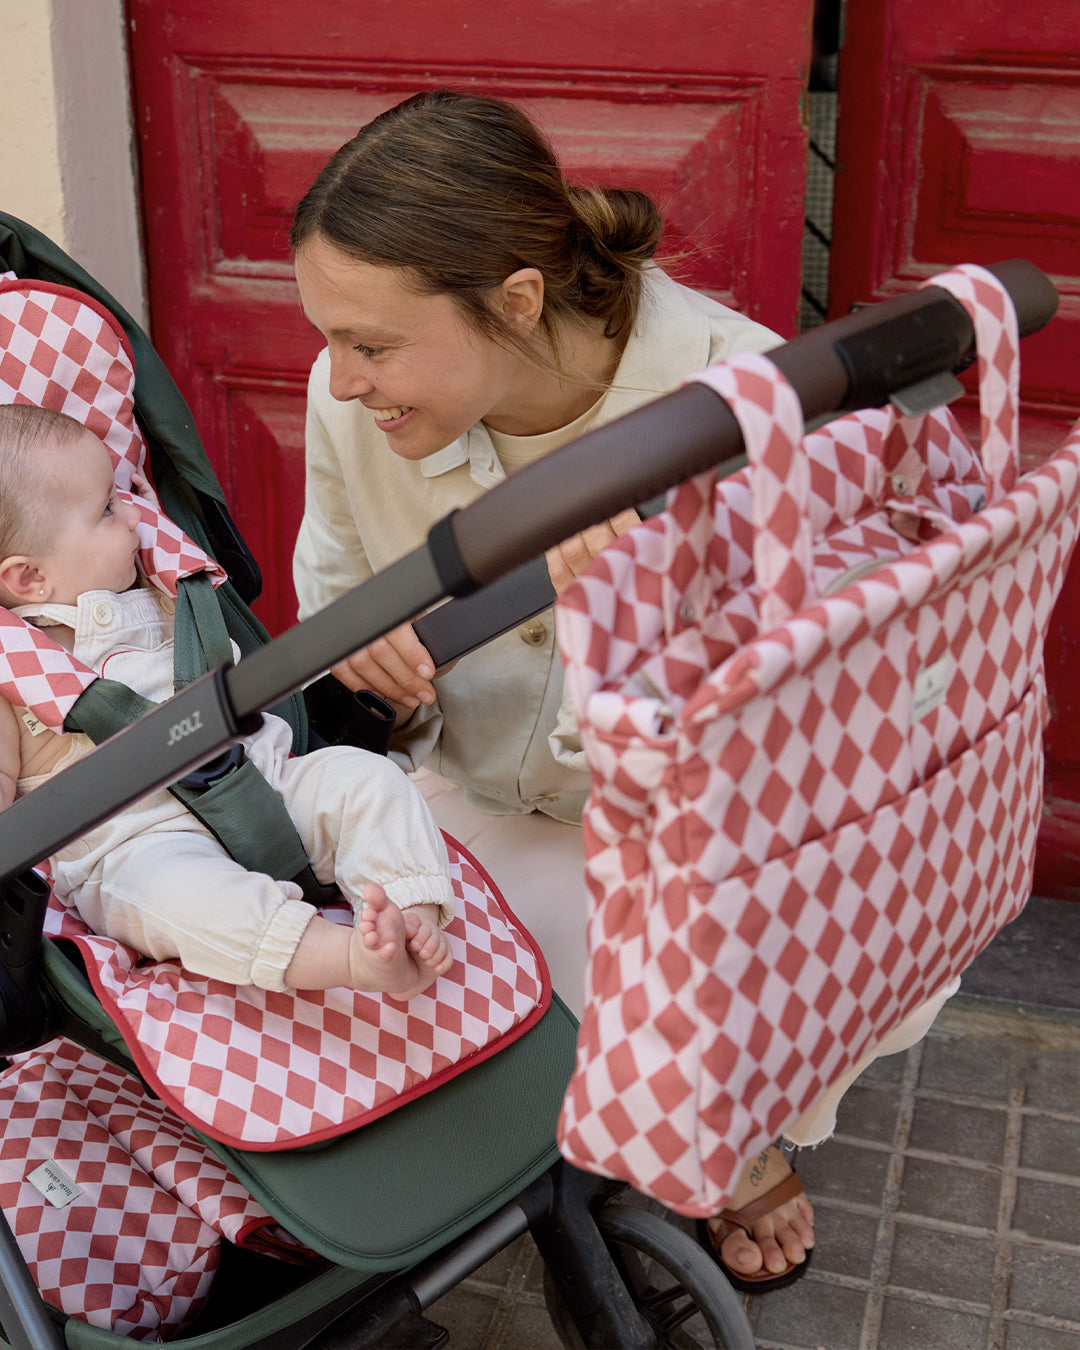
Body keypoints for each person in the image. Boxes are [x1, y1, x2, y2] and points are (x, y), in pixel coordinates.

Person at [288, 86, 955, 1292]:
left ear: (518, 299)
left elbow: (842, 733)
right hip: (477, 794)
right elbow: (334, 618)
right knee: (354, 970)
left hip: (710, 837)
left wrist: (660, 623)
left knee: (713, 994)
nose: (338, 382)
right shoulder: (353, 412)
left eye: (371, 345)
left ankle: (730, 1124)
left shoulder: (750, 408)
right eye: (331, 338)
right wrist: (376, 676)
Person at [0, 403, 454, 1000]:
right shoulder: (13, 672)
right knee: (184, 901)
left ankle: (412, 914)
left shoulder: (160, 589)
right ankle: (347, 957)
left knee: (369, 782)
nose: (134, 517)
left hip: (268, 782)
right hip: (141, 843)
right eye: (107, 509)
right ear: (29, 580)